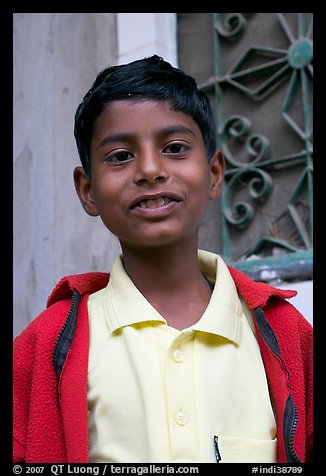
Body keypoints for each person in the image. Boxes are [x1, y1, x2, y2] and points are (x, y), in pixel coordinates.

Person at [13, 55, 313, 464]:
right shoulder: (45, 347)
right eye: (120, 155)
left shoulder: (286, 336)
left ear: (214, 173)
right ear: (87, 190)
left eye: (174, 148)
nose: (150, 170)